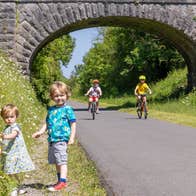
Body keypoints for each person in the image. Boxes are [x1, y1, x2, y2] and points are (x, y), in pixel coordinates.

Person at [32, 81, 76, 192]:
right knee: (56, 161)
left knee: (62, 161)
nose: (59, 98)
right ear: (52, 97)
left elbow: (73, 124)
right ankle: (59, 180)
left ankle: (63, 182)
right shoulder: (51, 110)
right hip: (52, 140)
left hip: (62, 139)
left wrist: (71, 137)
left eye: (62, 95)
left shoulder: (68, 109)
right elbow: (47, 123)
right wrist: (40, 132)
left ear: (67, 95)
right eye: (56, 96)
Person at [0, 104, 35, 196]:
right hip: (8, 153)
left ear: (16, 116)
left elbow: (13, 135)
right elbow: (3, 142)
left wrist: (5, 136)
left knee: (11, 171)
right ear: (3, 118)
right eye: (6, 117)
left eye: (12, 117)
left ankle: (14, 189)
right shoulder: (5, 129)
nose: (9, 119)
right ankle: (19, 187)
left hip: (16, 153)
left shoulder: (15, 127)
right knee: (10, 172)